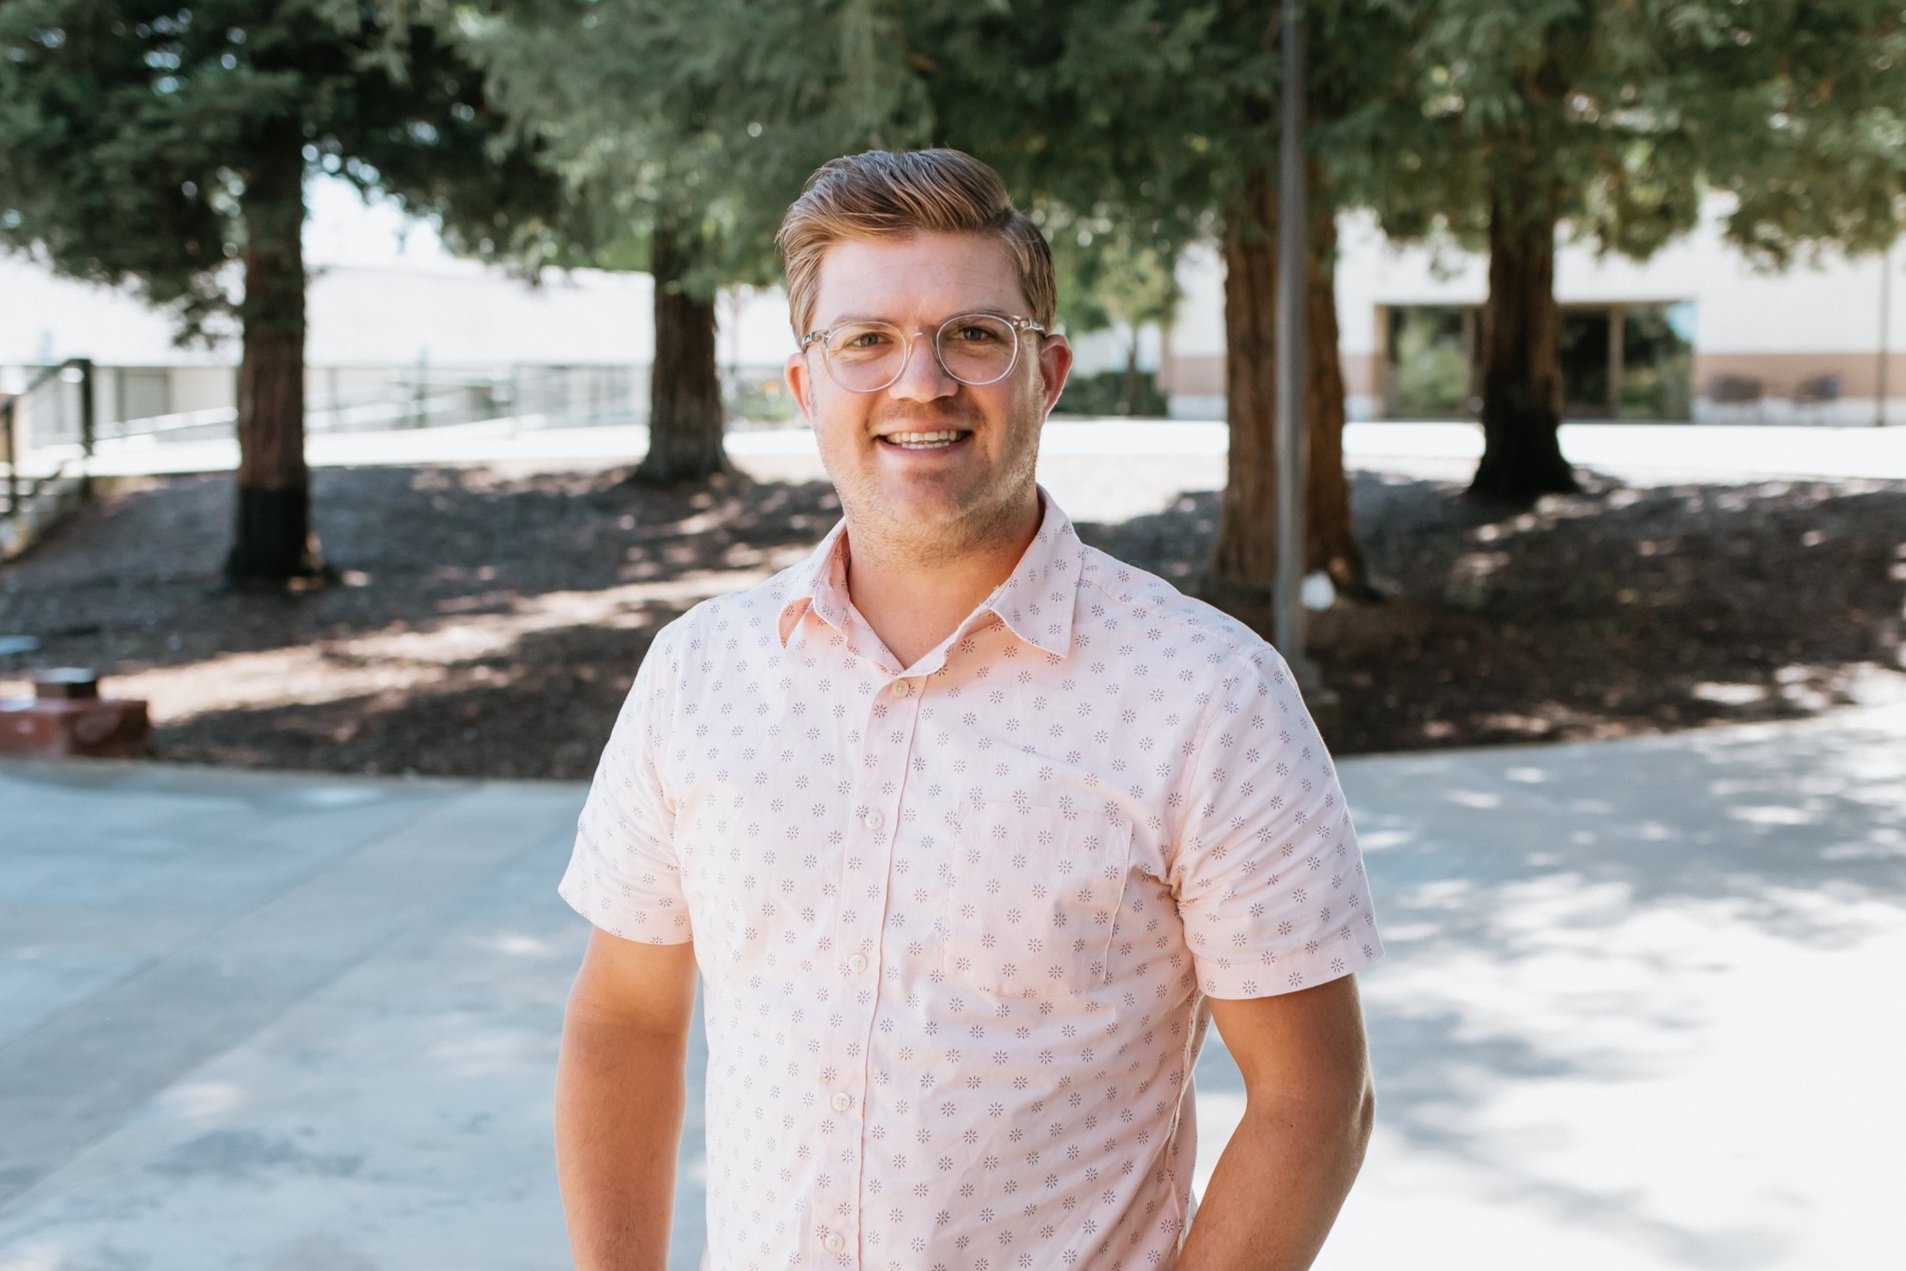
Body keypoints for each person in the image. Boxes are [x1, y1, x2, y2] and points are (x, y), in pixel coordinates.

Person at [555, 148, 1383, 1271]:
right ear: (807, 388)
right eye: (867, 341)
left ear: (1046, 371)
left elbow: (1313, 1100)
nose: (921, 382)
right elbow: (626, 1018)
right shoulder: (697, 674)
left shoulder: (1208, 695)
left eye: (972, 335)